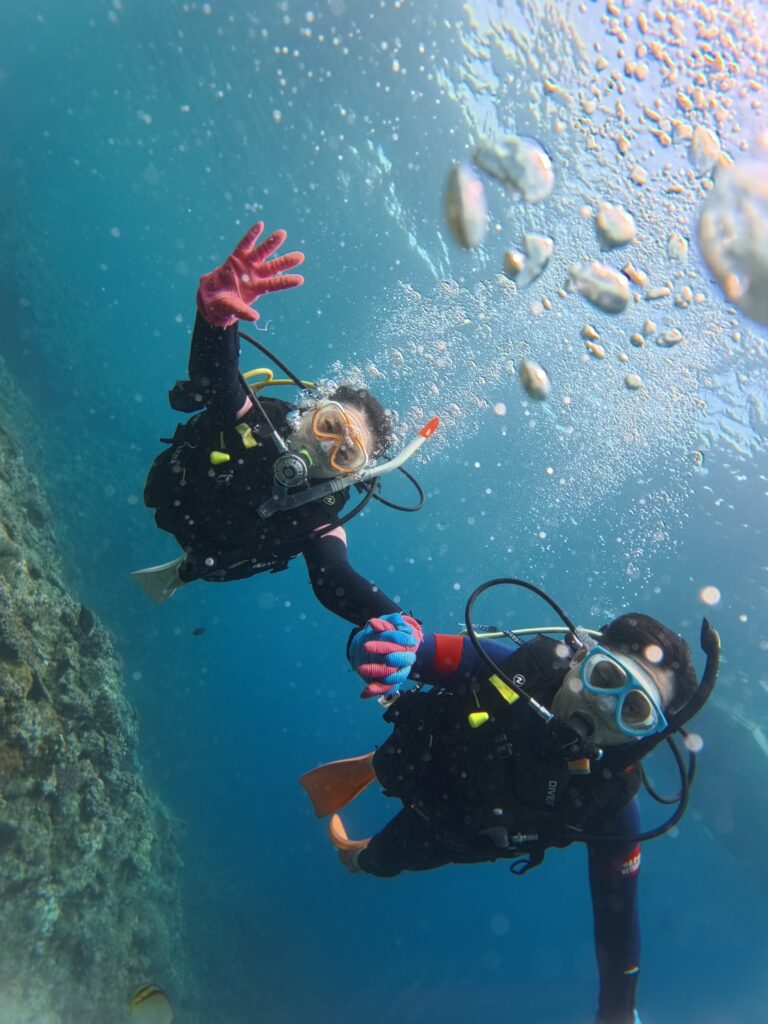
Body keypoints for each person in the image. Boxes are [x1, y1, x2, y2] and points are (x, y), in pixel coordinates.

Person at [300, 582, 719, 1024]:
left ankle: (354, 854)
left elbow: (617, 922)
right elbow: (408, 648)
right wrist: (373, 647)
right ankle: (372, 765)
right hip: (429, 758)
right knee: (393, 763)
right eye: (606, 677)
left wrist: (617, 1010)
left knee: (376, 862)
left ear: (642, 736)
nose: (600, 707)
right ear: (580, 658)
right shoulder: (514, 666)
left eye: (632, 710)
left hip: (459, 829)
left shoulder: (611, 803)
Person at [132, 221, 436, 625]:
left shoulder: (325, 509)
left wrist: (401, 626)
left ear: (352, 473)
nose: (326, 447)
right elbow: (219, 381)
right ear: (310, 408)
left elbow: (335, 578)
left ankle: (185, 571)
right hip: (171, 491)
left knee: (210, 564)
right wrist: (214, 319)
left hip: (216, 555)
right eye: (330, 425)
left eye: (345, 453)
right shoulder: (263, 419)